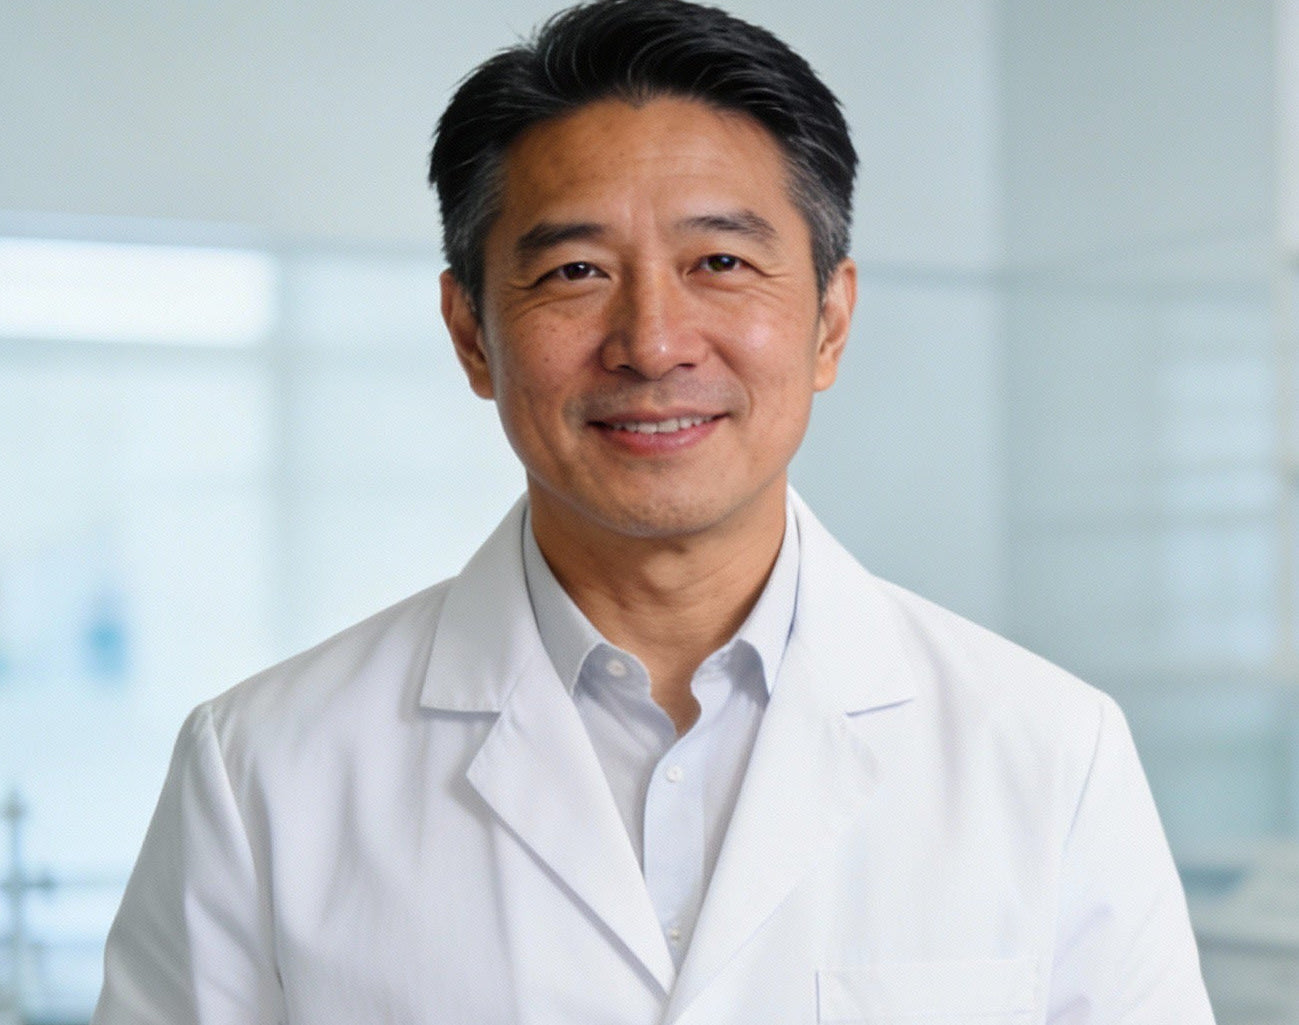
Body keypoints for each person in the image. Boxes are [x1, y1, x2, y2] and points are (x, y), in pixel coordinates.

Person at [92, 1, 1216, 1022]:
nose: (653, 343)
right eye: (574, 272)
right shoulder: (263, 770)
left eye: (719, 260)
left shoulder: (1047, 750)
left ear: (829, 322)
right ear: (472, 333)